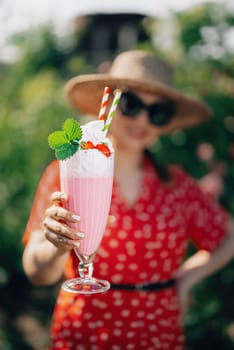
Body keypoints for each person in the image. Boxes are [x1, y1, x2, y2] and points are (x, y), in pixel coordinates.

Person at [22, 50, 234, 350]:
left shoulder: (177, 184)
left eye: (157, 111)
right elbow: (36, 272)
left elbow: (229, 235)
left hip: (158, 331)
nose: (143, 119)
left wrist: (187, 277)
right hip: (85, 329)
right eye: (131, 104)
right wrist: (56, 249)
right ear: (107, 105)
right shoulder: (65, 171)